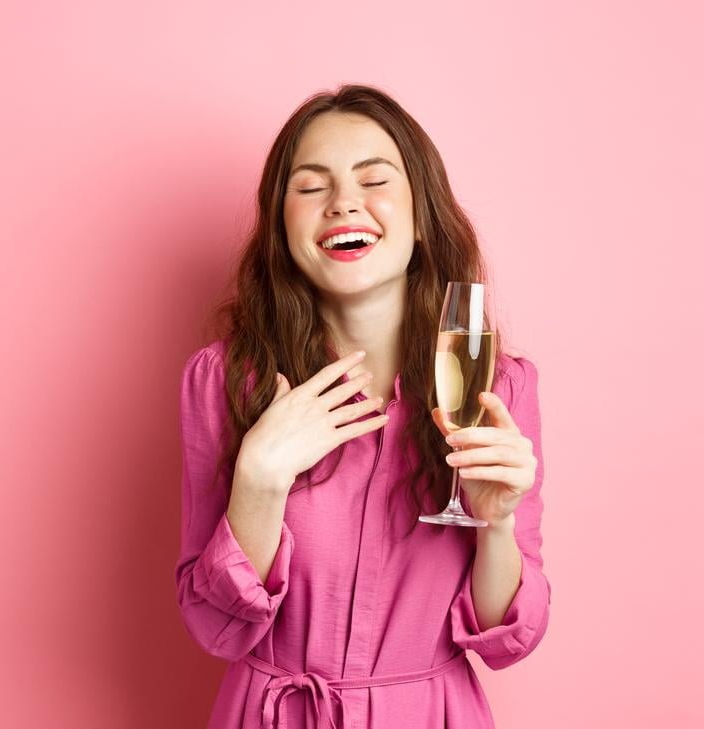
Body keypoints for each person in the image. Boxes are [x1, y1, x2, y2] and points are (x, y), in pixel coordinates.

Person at [174, 84, 550, 729]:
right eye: (310, 187)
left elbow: (505, 638)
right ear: (280, 224)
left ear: (422, 214)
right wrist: (259, 481)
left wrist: (496, 525)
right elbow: (214, 627)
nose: (344, 202)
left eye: (374, 180)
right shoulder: (226, 380)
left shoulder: (498, 387)